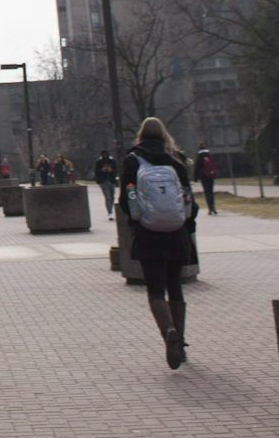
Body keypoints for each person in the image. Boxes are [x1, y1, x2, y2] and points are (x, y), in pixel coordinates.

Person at [121, 116, 197, 369]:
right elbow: (189, 200)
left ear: (141, 135)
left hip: (147, 232)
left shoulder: (132, 160)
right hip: (176, 232)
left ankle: (168, 333)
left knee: (155, 289)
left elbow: (126, 200)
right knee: (175, 286)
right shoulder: (175, 161)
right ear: (164, 135)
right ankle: (182, 341)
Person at [94, 150, 118, 218]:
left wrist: (111, 170)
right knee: (108, 197)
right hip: (103, 181)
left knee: (112, 196)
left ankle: (110, 209)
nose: (105, 156)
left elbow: (116, 170)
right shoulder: (98, 161)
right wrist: (102, 170)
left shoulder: (112, 161)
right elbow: (96, 172)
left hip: (111, 180)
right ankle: (110, 212)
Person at [196, 146, 220, 215]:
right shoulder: (210, 156)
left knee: (207, 192)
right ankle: (213, 207)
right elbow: (215, 165)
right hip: (211, 176)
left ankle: (210, 209)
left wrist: (196, 178)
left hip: (204, 177)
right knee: (211, 192)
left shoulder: (199, 157)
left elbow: (197, 168)